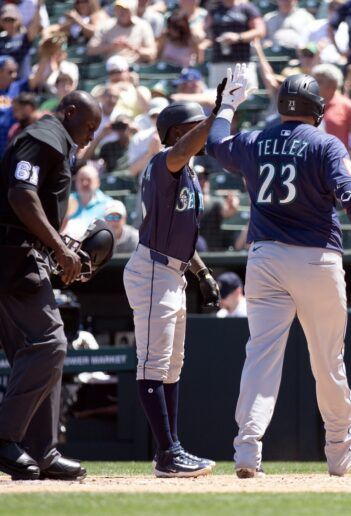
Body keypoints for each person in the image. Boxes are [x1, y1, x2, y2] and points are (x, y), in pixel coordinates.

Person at [206, 68, 351, 478]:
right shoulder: (325, 144)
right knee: (327, 360)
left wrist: (228, 105)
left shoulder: (254, 140)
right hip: (315, 259)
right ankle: (339, 451)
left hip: (264, 258)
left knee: (261, 356)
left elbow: (215, 143)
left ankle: (247, 450)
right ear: (317, 110)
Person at [0, 90, 102, 481]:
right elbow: (20, 194)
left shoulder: (57, 141)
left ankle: (41, 451)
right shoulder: (43, 136)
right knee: (50, 343)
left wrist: (58, 246)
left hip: (22, 255)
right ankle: (6, 436)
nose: (91, 136)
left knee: (40, 354)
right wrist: (60, 248)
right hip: (13, 256)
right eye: (89, 126)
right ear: (70, 111)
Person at [124, 99, 225, 478]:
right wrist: (216, 114)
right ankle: (168, 453)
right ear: (179, 133)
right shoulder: (165, 160)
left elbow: (182, 234)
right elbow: (181, 149)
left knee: (172, 366)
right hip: (152, 270)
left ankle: (171, 450)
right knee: (153, 363)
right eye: (198, 125)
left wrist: (202, 274)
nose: (207, 131)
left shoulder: (187, 170)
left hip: (173, 271)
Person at [312, 63, 351, 155]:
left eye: (319, 81)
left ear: (333, 84)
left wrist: (346, 159)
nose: (313, 85)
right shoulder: (306, 104)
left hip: (335, 161)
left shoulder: (348, 106)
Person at [86, 0, 157, 65]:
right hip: (110, 68)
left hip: (134, 67)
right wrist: (110, 46)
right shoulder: (106, 25)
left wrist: (134, 48)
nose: (121, 12)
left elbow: (152, 54)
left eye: (125, 9)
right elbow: (90, 50)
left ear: (132, 10)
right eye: (118, 8)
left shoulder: (143, 26)